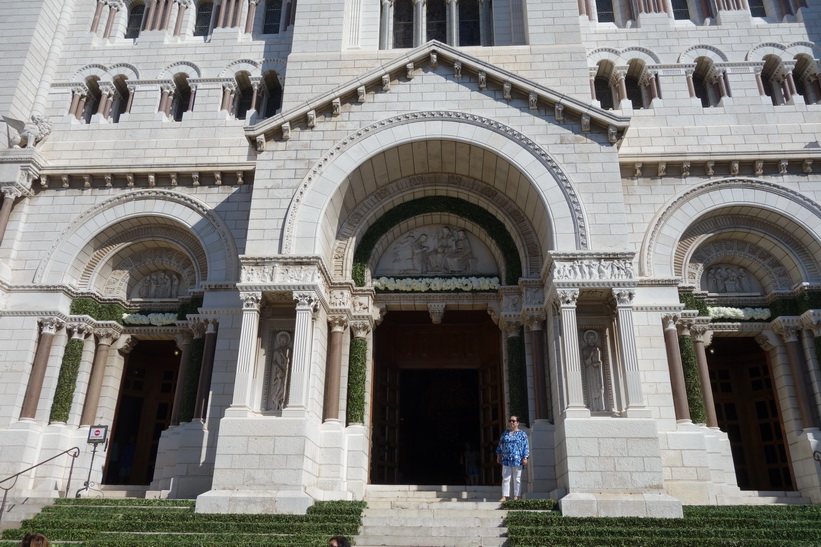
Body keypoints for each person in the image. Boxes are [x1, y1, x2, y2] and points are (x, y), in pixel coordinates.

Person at [496, 415, 529, 501]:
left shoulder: (522, 434)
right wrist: (498, 455)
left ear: (518, 423)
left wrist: (525, 457)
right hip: (506, 459)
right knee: (506, 478)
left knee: (517, 479)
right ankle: (504, 496)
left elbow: (526, 446)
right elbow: (500, 444)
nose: (511, 423)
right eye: (510, 421)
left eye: (513, 421)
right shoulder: (505, 433)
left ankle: (516, 496)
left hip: (517, 459)